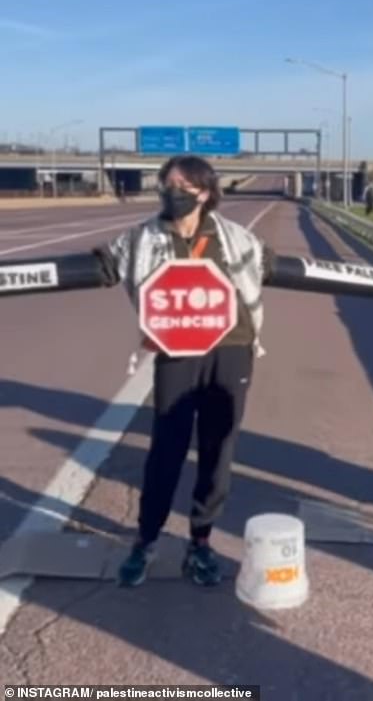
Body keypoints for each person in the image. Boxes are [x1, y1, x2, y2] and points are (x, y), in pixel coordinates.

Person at [92, 155, 275, 587]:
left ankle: (201, 541)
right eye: (166, 183)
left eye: (182, 185)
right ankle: (147, 539)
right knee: (166, 449)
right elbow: (104, 265)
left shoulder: (233, 238)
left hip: (231, 350)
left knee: (217, 448)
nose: (171, 191)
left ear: (205, 192)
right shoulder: (141, 238)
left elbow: (268, 264)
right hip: (177, 351)